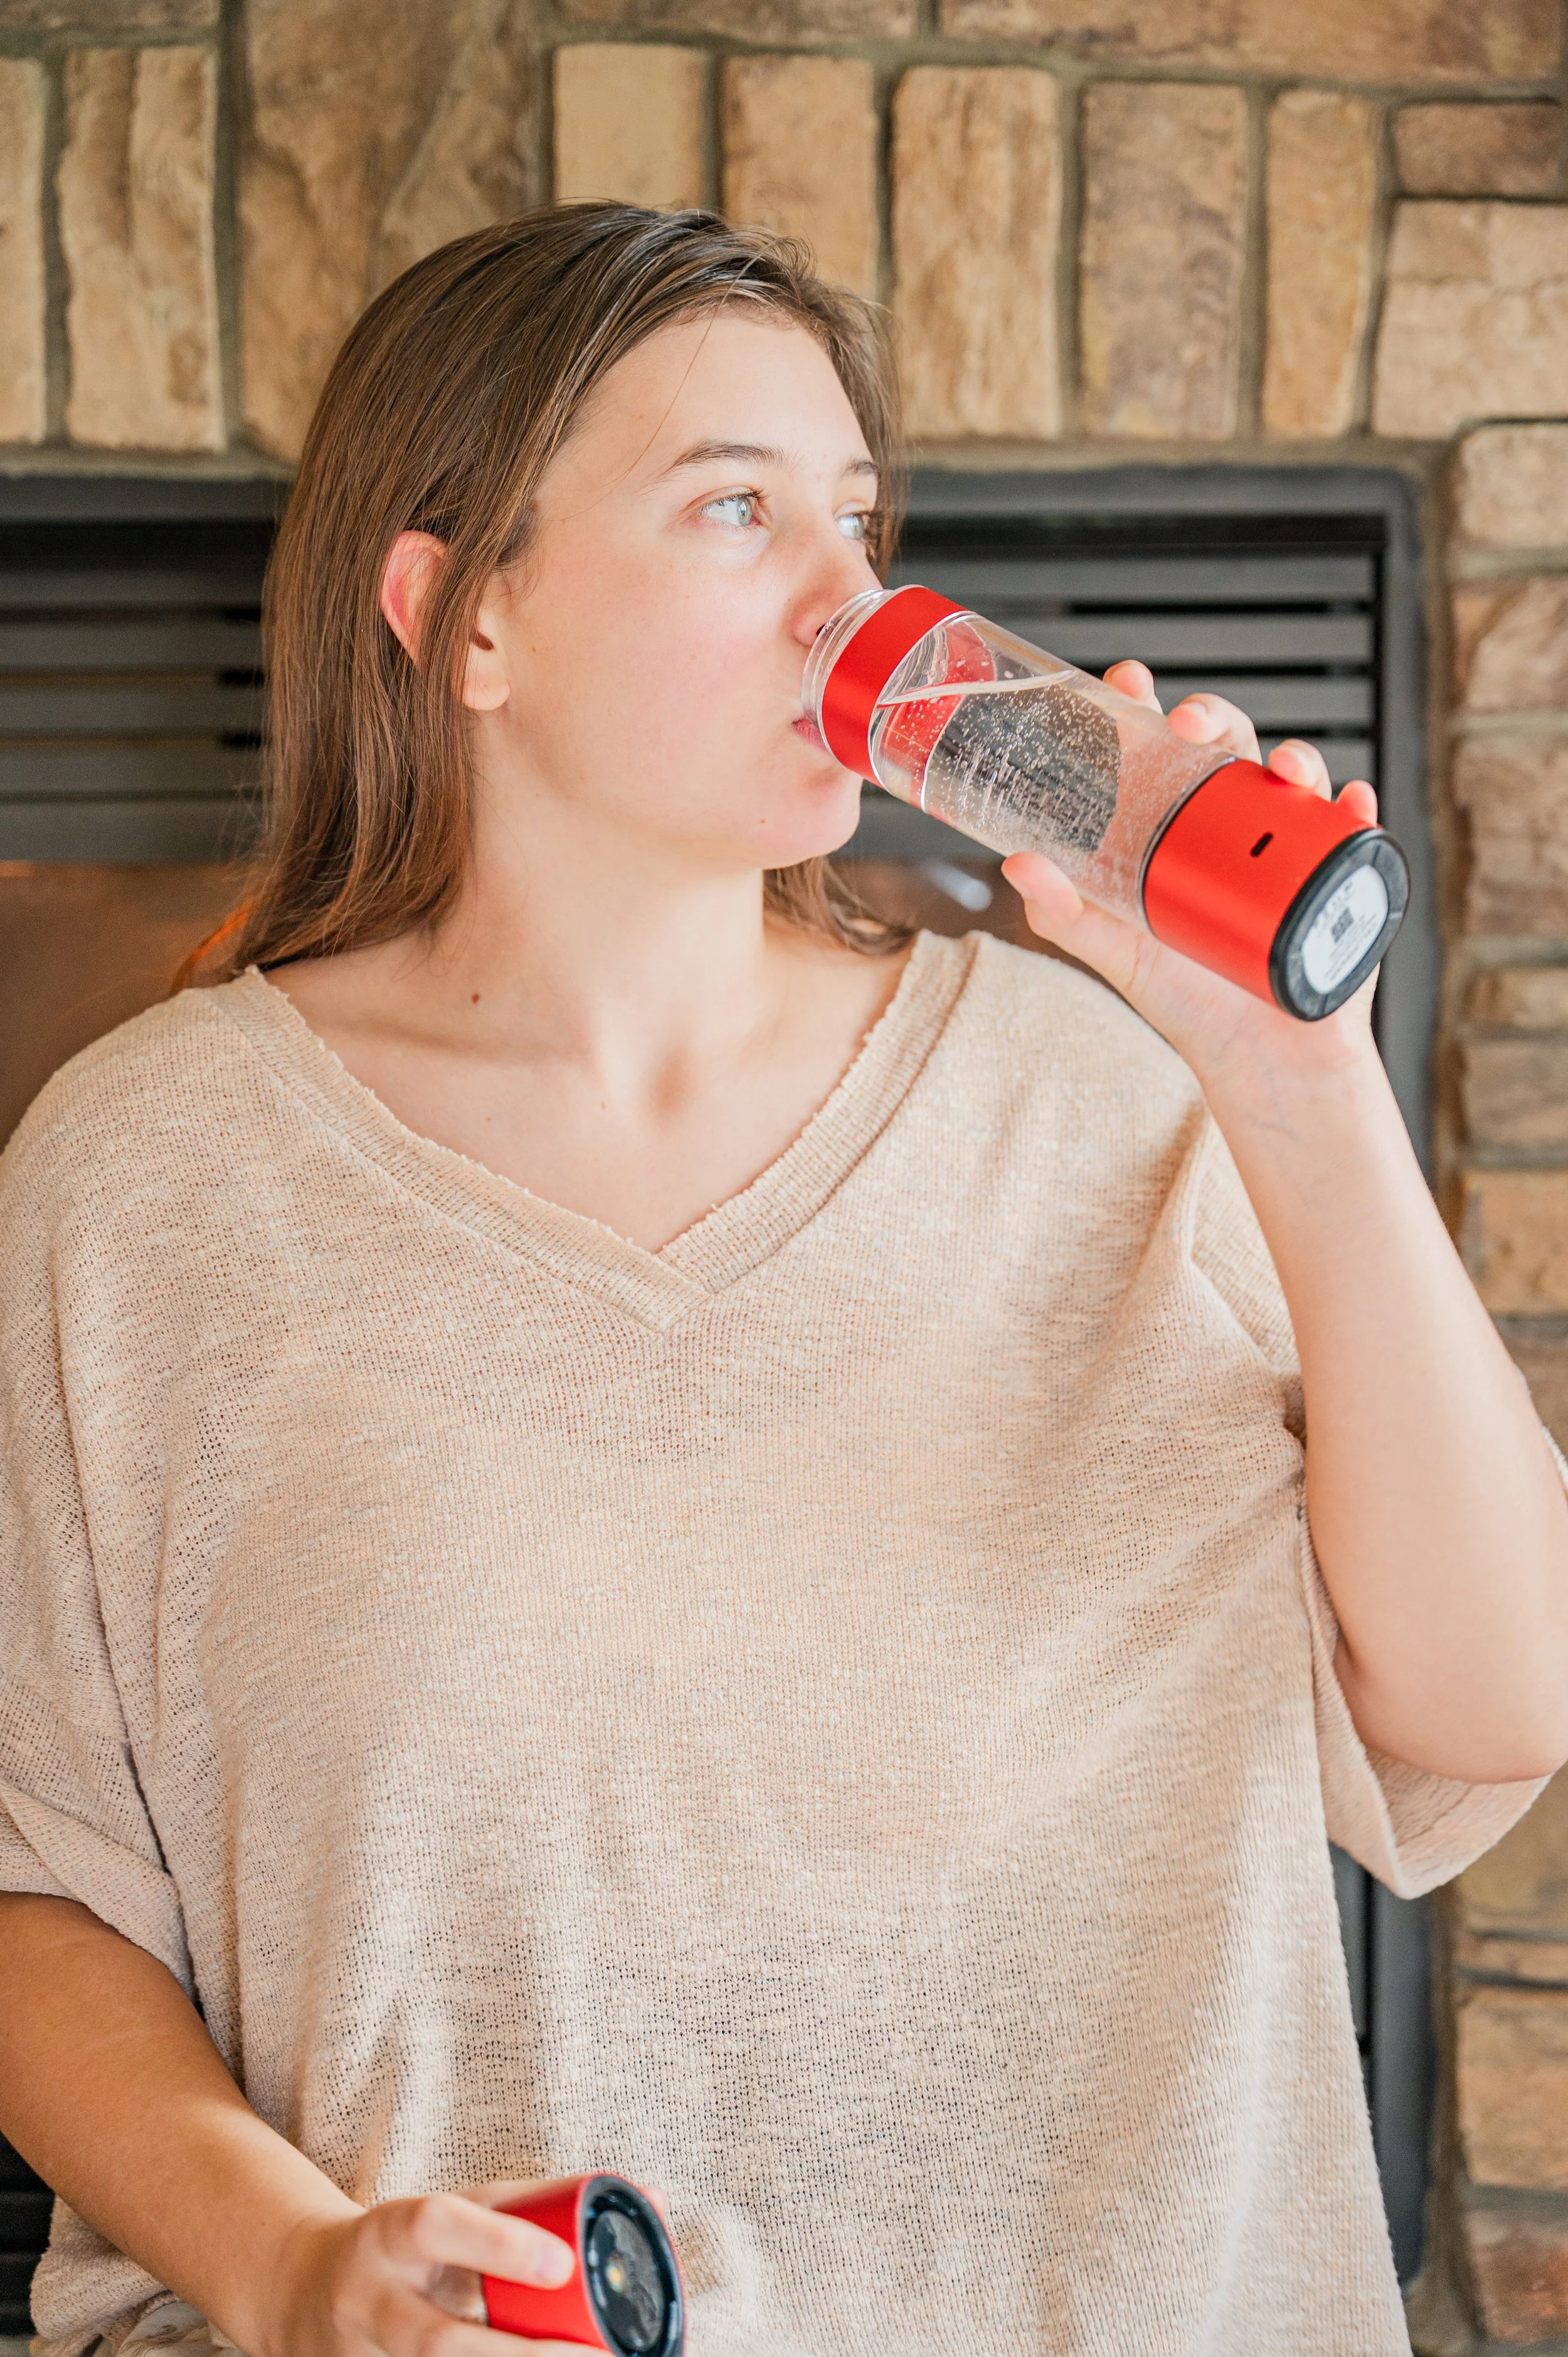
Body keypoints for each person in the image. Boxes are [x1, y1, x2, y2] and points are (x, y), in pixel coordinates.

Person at [1, 202, 1565, 2357]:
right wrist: (283, 2264)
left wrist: (1294, 1083)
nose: (860, 599)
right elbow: (36, 1894)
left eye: (857, 515)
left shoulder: (1106, 1103)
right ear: (455, 612)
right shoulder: (147, 1182)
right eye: (734, 508)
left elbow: (1500, 1704)